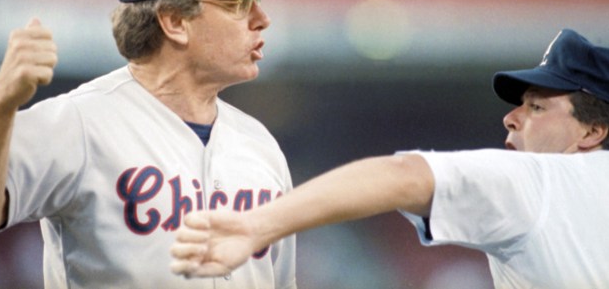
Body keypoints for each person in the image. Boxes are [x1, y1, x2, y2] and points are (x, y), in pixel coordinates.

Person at [0, 0, 297, 289]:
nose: (261, 19)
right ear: (174, 22)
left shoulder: (261, 145)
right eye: (237, 4)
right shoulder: (80, 121)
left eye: (257, 1)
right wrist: (0, 102)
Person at [170, 29, 609, 289]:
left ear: (593, 132)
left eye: (536, 107)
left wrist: (257, 224)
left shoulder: (541, 180)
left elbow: (401, 176)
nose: (511, 118)